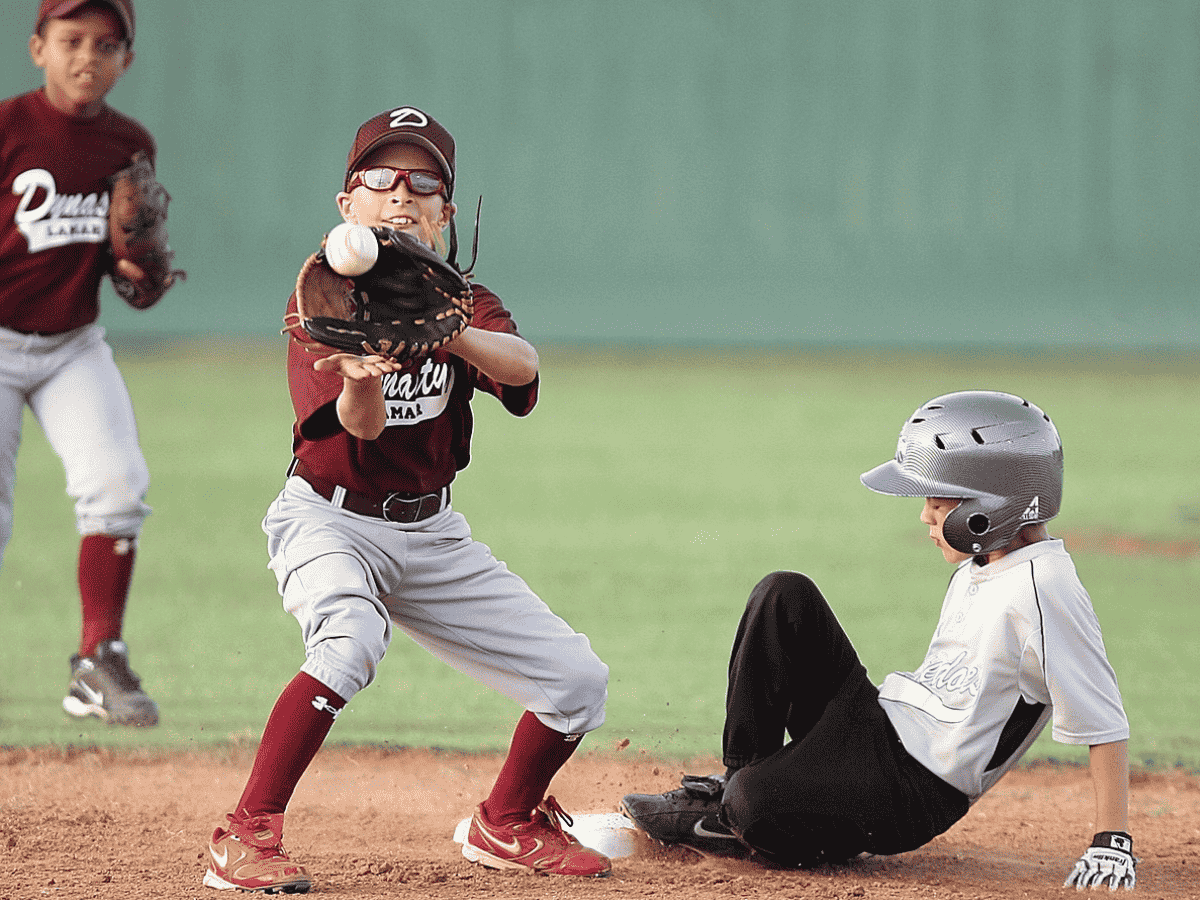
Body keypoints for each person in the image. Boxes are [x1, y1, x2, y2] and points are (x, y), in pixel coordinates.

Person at [202, 106, 611, 894]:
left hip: (432, 534)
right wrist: (361, 380)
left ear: (447, 214)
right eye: (379, 179)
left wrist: (451, 334)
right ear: (347, 204)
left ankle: (507, 822)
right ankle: (244, 834)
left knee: (576, 681)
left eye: (424, 183)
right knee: (349, 640)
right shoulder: (322, 300)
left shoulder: (465, 301)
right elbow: (356, 429)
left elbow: (522, 369)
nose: (402, 195)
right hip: (327, 518)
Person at [622, 391, 1136, 891]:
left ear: (987, 509)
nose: (924, 517)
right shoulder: (985, 564)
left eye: (936, 503)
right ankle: (729, 794)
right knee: (785, 593)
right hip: (880, 724)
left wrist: (1111, 840)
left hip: (916, 788)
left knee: (757, 806)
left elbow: (1104, 718)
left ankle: (741, 810)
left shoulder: (1046, 589)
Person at [0, 0, 163, 727]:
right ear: (38, 47)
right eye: (71, 40)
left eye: (106, 44)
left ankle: (98, 659)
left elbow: (133, 274)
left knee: (118, 485)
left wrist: (137, 268)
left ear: (126, 60)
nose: (86, 57)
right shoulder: (7, 129)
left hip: (72, 345)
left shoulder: (127, 143)